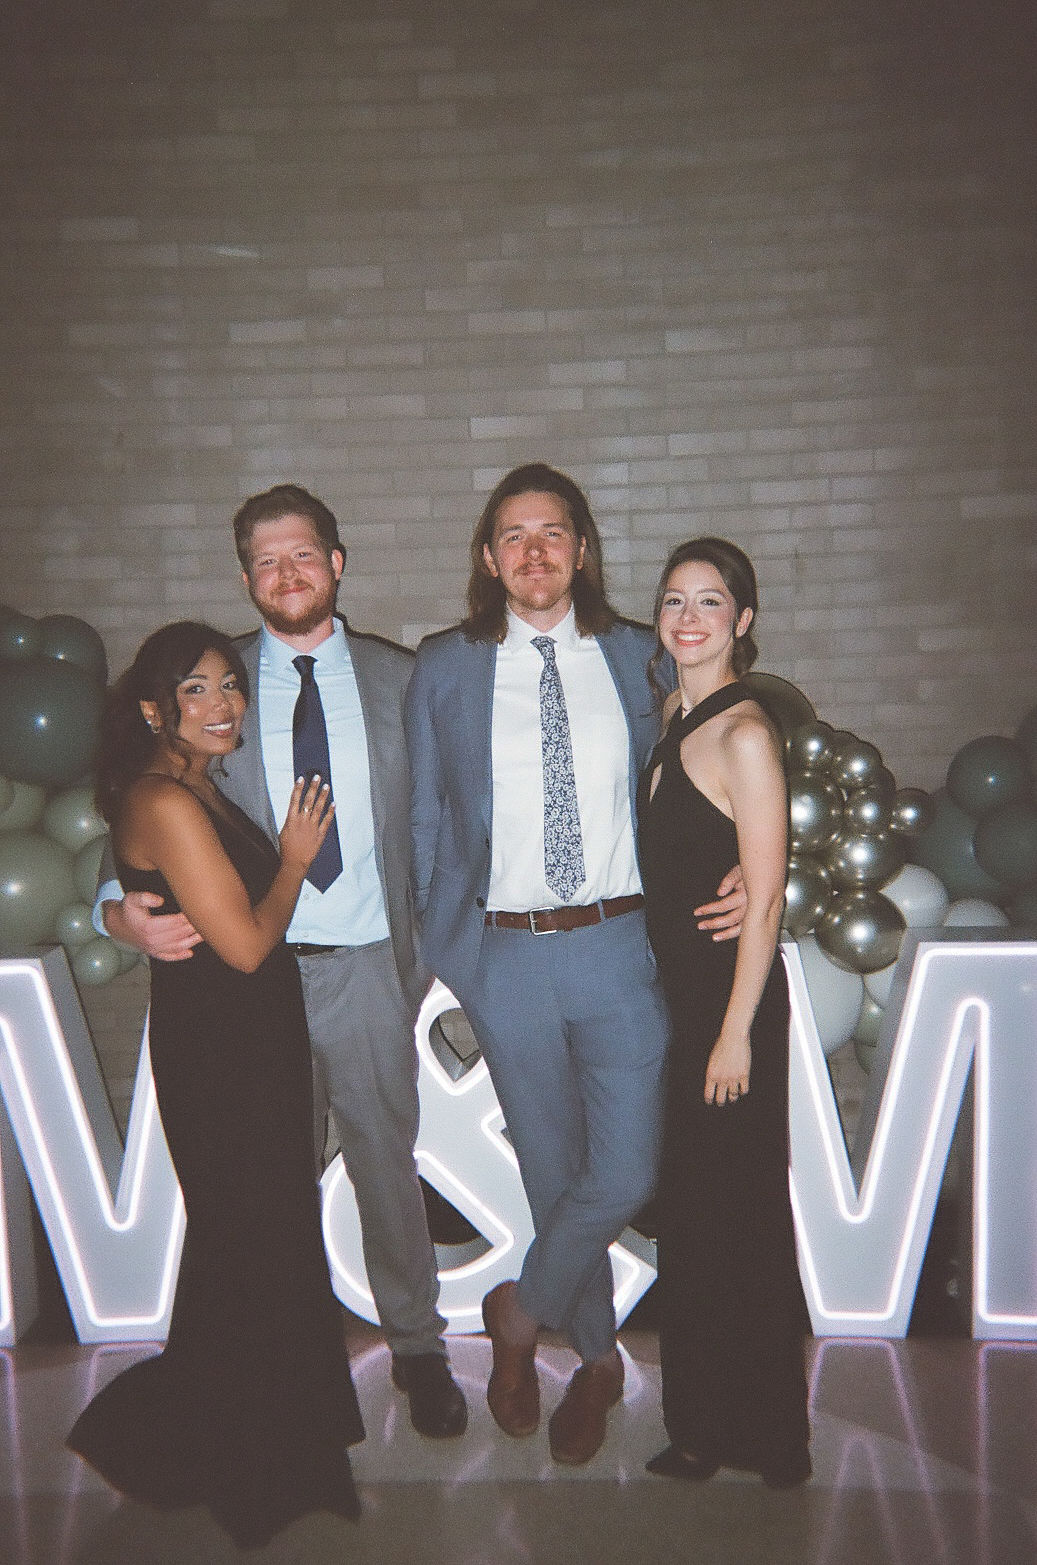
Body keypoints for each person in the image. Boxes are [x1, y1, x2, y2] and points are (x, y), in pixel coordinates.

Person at [95, 485, 466, 1441]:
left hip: (365, 967)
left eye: (303, 554)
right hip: (243, 985)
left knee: (386, 1161)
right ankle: (285, 1361)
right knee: (266, 1180)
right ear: (246, 578)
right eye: (265, 561)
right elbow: (152, 822)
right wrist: (115, 914)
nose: (286, 574)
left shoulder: (401, 677)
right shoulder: (218, 684)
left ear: (336, 563)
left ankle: (418, 1347)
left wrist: (422, 955)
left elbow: (443, 823)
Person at [404, 463, 746, 1467]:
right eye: (511, 535)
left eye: (551, 532)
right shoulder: (444, 664)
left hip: (617, 944)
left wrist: (738, 857)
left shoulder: (643, 658)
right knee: (555, 1171)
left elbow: (706, 770)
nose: (532, 552)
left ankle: (520, 1311)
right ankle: (593, 1360)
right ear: (486, 557)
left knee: (627, 1167)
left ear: (582, 548)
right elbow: (425, 813)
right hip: (501, 951)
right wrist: (441, 949)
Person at [68, 621, 364, 1546]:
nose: (223, 703)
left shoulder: (195, 786)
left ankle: (255, 1440)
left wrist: (119, 911)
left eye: (230, 685)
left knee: (254, 1245)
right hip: (225, 1053)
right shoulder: (170, 799)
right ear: (156, 708)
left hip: (247, 1043)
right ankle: (248, 1465)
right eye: (197, 689)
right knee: (253, 1244)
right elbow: (243, 944)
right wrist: (294, 862)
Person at [637, 538, 811, 1488]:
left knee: (738, 1222)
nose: (688, 617)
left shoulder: (744, 732)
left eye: (710, 601)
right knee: (697, 1226)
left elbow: (769, 898)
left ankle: (772, 1439)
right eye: (673, 600)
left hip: (729, 1011)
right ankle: (702, 1426)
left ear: (743, 619)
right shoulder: (674, 712)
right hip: (682, 1002)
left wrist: (737, 1029)